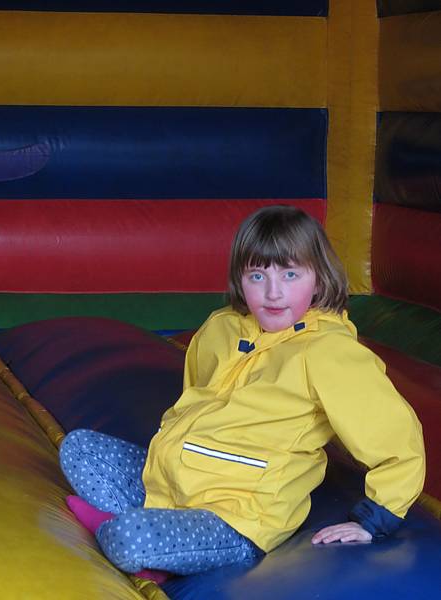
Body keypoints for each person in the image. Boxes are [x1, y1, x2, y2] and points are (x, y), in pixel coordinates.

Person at [60, 205, 425, 577]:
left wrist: (374, 520)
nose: (273, 292)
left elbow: (395, 437)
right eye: (257, 276)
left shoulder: (328, 353)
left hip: (240, 516)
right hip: (177, 487)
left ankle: (138, 541)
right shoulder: (222, 328)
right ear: (240, 278)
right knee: (79, 448)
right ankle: (160, 539)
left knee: (129, 538)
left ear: (318, 279)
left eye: (290, 274)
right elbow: (191, 404)